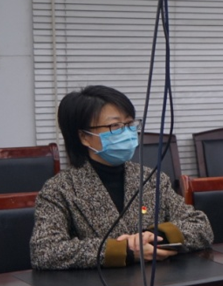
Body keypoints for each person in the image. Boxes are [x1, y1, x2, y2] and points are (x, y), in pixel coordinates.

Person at [31, 86, 213, 270]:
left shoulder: (152, 179)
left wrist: (158, 236)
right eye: (115, 126)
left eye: (129, 124)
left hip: (159, 280)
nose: (126, 132)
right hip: (98, 285)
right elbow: (44, 251)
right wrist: (124, 250)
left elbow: (201, 226)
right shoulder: (60, 189)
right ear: (84, 137)